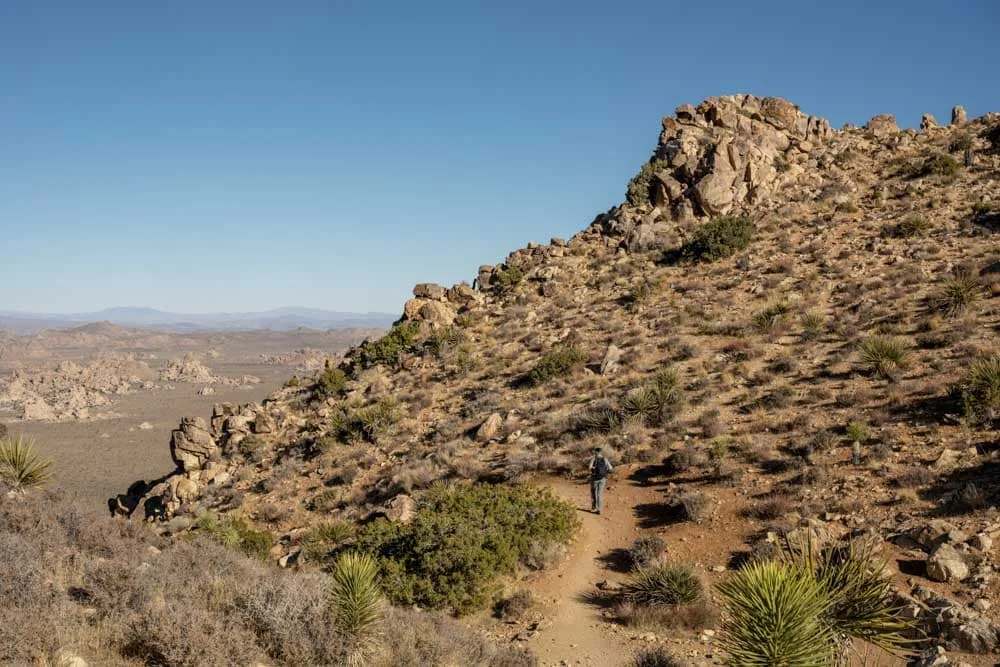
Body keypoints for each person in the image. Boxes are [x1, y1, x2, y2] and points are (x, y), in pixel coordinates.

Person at [588, 447, 614, 514]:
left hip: (594, 479)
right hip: (603, 478)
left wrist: (593, 469)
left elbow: (589, 467)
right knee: (599, 494)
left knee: (593, 491)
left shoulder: (594, 458)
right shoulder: (604, 458)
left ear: (595, 452)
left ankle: (594, 506)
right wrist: (605, 471)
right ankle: (600, 509)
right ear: (601, 452)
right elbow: (610, 467)